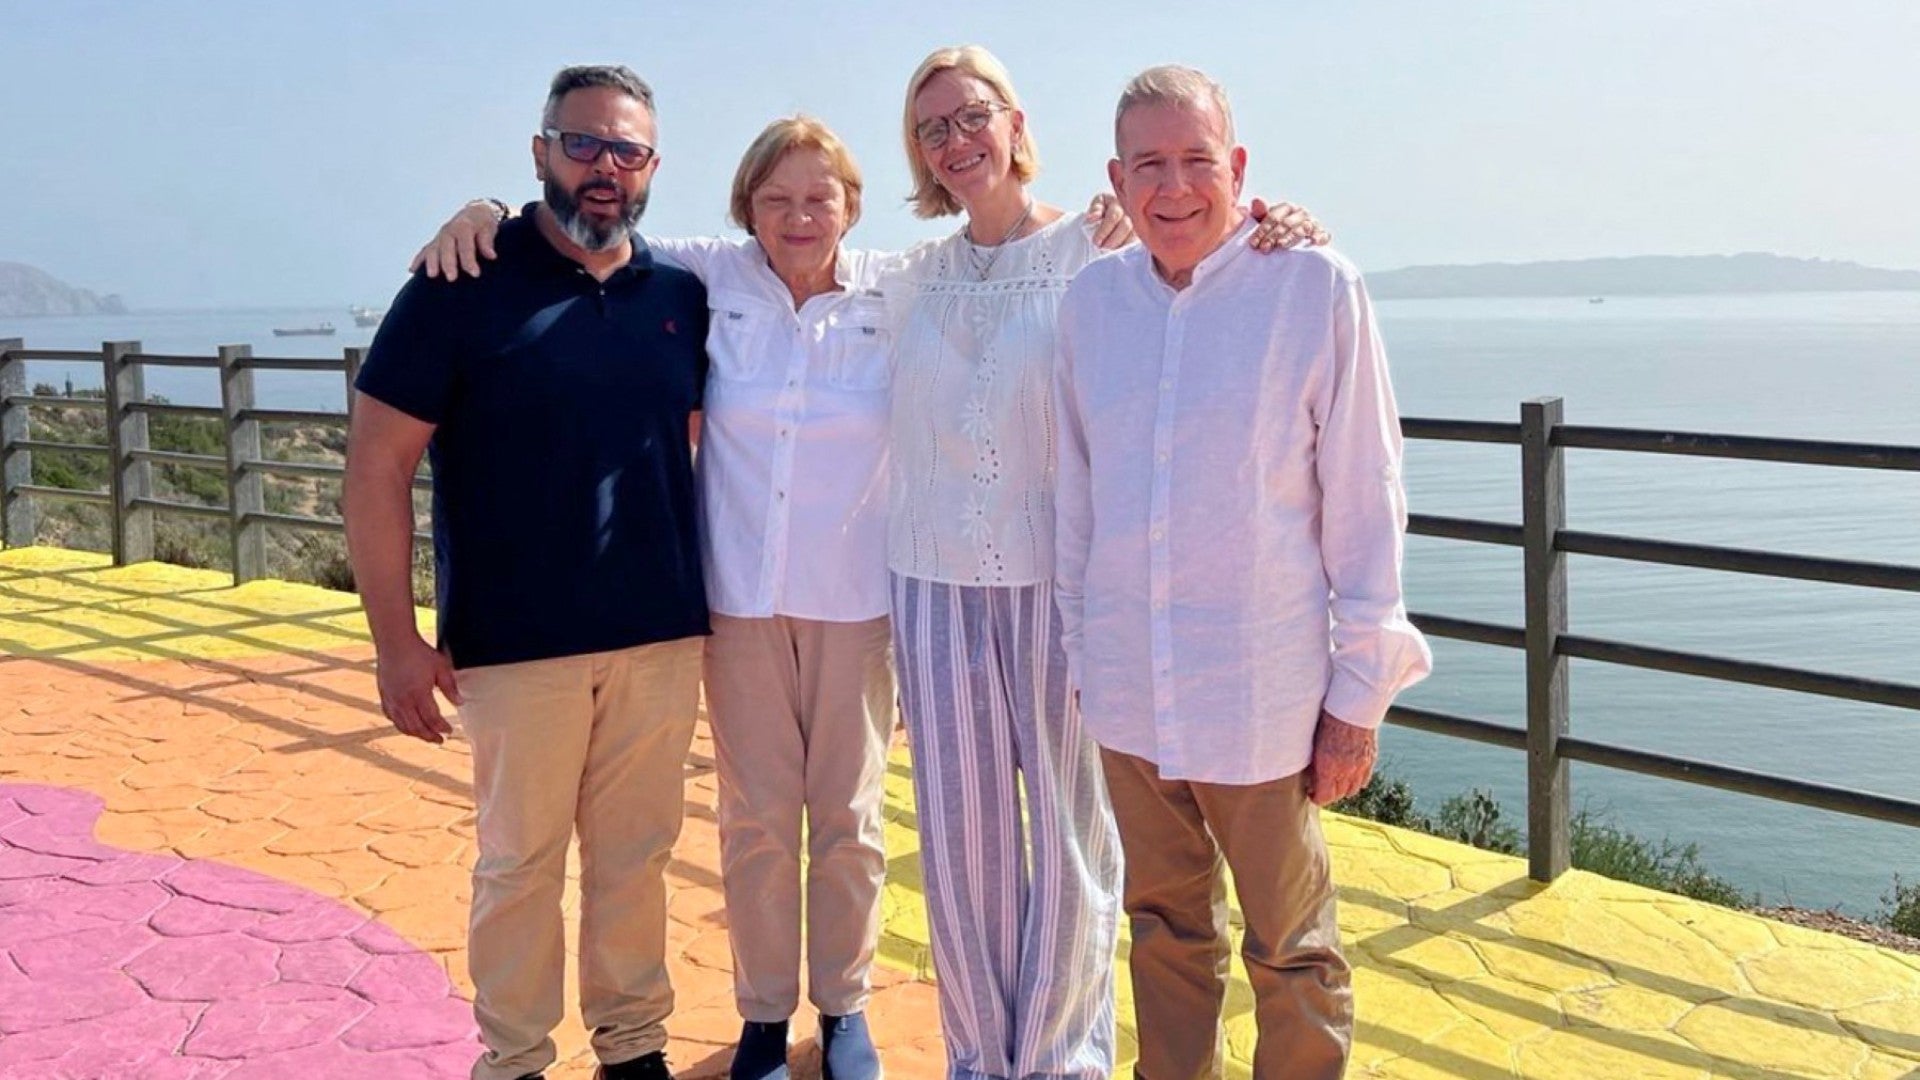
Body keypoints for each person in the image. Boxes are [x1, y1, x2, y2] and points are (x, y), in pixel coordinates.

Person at [1052, 65, 1433, 1080]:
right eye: (1149, 165)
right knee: (1163, 928)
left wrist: (1359, 698)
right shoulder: (1091, 305)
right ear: (1117, 179)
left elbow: (1365, 496)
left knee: (1293, 948)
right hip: (1131, 693)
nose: (1174, 186)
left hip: (1261, 695)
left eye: (1197, 160)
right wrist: (1086, 654)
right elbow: (1075, 498)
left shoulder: (1313, 288)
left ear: (1240, 166)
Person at [344, 65, 708, 1080]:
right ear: (541, 151)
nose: (604, 168)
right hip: (515, 646)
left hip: (660, 635)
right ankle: (514, 1058)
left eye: (626, 150)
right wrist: (395, 644)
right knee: (520, 867)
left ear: (653, 166)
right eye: (582, 143)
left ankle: (633, 1047)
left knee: (637, 858)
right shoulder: (458, 283)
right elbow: (375, 469)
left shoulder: (680, 295)